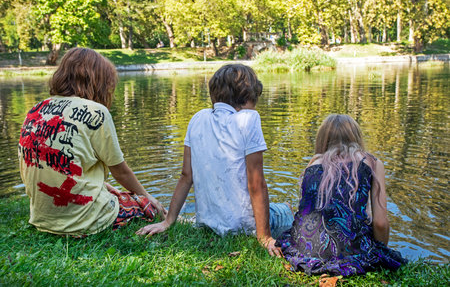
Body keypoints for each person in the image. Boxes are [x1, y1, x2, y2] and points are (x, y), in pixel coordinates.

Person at [136, 64, 293, 257]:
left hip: (209, 224)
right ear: (246, 98)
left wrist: (169, 221)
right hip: (243, 226)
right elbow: (256, 183)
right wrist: (264, 237)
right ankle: (279, 219)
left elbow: (186, 176)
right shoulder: (248, 119)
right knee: (286, 210)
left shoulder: (197, 119)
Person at [18, 47, 166, 236]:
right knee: (142, 204)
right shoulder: (96, 112)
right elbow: (121, 172)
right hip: (83, 220)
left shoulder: (36, 109)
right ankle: (173, 216)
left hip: (42, 218)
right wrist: (146, 196)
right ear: (99, 81)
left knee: (109, 189)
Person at [276, 114, 407, 276]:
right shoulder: (372, 163)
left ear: (322, 140)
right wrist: (380, 252)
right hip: (348, 254)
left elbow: (304, 211)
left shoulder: (315, 161)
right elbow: (380, 223)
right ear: (356, 137)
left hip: (303, 249)